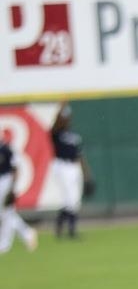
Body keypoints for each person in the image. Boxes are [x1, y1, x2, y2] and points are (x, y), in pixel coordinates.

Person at [50, 102, 93, 239]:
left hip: (74, 167)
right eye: (65, 117)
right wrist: (61, 109)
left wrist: (87, 175)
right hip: (62, 166)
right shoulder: (57, 133)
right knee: (69, 199)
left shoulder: (74, 136)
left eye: (68, 117)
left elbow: (80, 157)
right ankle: (71, 231)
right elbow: (55, 125)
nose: (67, 119)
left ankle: (60, 225)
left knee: (73, 201)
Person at [0, 136, 38, 254]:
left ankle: (5, 244)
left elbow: (15, 168)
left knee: (6, 212)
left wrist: (12, 189)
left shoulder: (6, 149)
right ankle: (27, 232)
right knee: (6, 213)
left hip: (5, 181)